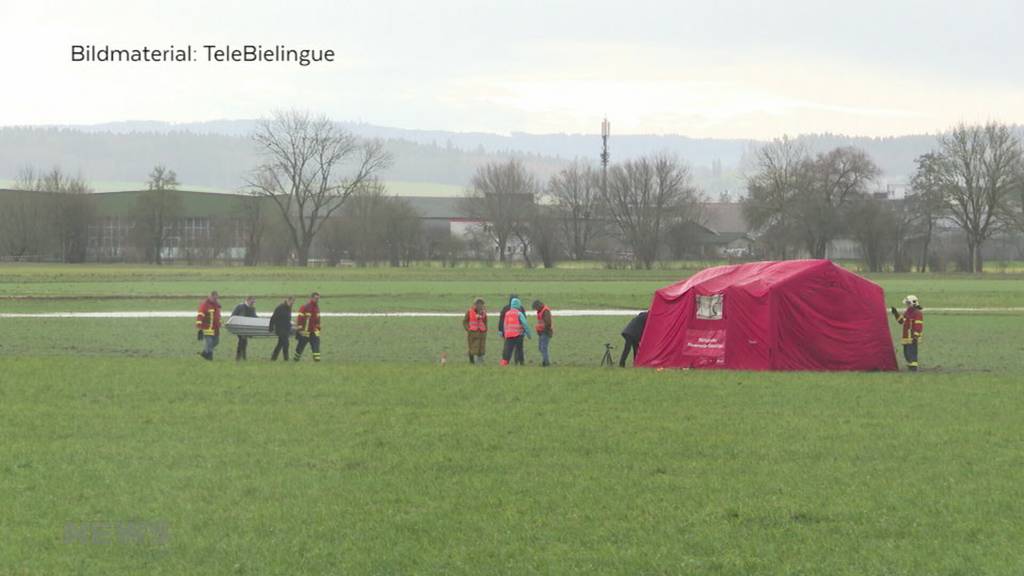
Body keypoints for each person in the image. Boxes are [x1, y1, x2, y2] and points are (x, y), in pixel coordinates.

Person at [891, 295, 924, 372]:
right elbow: (901, 321)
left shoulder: (918, 313)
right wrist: (895, 313)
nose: (907, 305)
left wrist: (915, 336)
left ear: (913, 303)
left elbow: (918, 326)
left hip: (912, 337)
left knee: (912, 352)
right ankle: (910, 365)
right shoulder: (907, 312)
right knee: (906, 352)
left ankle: (913, 368)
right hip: (906, 337)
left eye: (908, 303)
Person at [500, 297, 532, 366]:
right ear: (519, 305)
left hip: (509, 336)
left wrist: (505, 334)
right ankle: (521, 363)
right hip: (518, 335)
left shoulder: (507, 314)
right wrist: (529, 334)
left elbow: (505, 325)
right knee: (519, 350)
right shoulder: (519, 313)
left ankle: (504, 363)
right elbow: (525, 324)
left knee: (507, 351)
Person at [294, 292, 322, 362]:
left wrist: (318, 330)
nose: (317, 300)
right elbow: (300, 318)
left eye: (318, 299)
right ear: (311, 298)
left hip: (314, 332)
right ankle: (295, 360)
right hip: (305, 332)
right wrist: (300, 329)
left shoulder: (317, 308)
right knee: (300, 347)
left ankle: (317, 361)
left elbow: (318, 320)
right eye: (316, 298)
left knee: (316, 347)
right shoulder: (305, 307)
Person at [195, 290, 222, 361]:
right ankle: (209, 358)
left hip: (215, 328)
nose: (216, 300)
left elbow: (218, 316)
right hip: (207, 327)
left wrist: (220, 324)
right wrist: (199, 325)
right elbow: (200, 315)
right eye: (214, 298)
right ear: (210, 297)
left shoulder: (217, 305)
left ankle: (205, 352)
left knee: (216, 341)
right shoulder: (204, 305)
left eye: (217, 298)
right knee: (209, 342)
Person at [231, 296, 257, 361]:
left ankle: (240, 357)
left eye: (253, 302)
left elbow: (254, 317)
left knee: (244, 342)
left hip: (247, 328)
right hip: (239, 327)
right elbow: (233, 316)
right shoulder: (239, 307)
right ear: (248, 300)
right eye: (252, 302)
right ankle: (241, 357)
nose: (253, 303)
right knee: (242, 341)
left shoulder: (252, 308)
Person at [269, 296, 295, 361]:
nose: (292, 303)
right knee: (286, 344)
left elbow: (287, 319)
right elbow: (273, 318)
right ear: (288, 300)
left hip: (286, 329)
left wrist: (290, 326)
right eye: (292, 301)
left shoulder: (289, 308)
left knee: (280, 344)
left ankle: (273, 358)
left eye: (293, 302)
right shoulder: (280, 307)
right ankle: (286, 359)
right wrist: (271, 327)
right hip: (280, 329)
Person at [463, 298, 488, 364]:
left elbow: (485, 322)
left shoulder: (484, 313)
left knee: (481, 348)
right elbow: (465, 321)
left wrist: (485, 330)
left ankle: (480, 362)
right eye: (478, 304)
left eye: (481, 304)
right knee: (472, 348)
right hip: (473, 333)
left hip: (481, 333)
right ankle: (472, 362)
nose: (479, 305)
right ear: (475, 304)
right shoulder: (470, 311)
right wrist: (468, 329)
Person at [532, 299, 553, 367]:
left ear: (538, 306)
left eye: (535, 308)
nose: (535, 309)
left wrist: (543, 330)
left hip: (545, 332)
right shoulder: (541, 310)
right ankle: (545, 361)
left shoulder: (545, 311)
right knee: (541, 348)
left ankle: (546, 363)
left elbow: (548, 323)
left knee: (543, 348)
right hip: (542, 332)